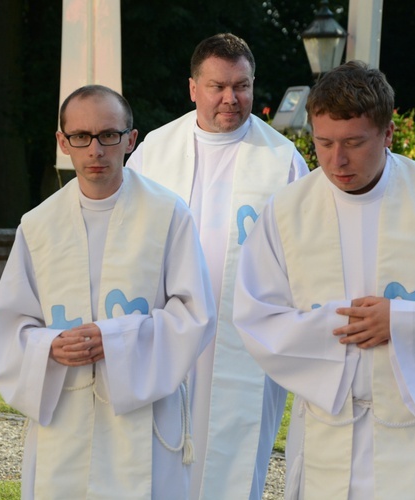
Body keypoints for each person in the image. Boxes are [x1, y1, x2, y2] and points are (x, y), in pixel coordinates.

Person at [233, 61, 415, 500]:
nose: (336, 160)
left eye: (354, 143)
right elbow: (257, 316)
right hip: (331, 429)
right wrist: (339, 330)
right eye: (323, 143)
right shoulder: (287, 211)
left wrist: (400, 323)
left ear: (387, 134)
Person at [0, 84, 216, 499]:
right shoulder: (38, 225)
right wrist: (49, 346)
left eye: (109, 135)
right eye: (81, 137)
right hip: (65, 414)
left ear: (130, 139)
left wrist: (116, 338)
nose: (95, 150)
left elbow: (194, 314)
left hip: (144, 416)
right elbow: (9, 327)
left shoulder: (168, 214)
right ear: (62, 142)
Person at [126, 32, 309, 500]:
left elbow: (306, 254)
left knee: (235, 452)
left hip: (244, 336)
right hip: (168, 331)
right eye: (217, 86)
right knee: (160, 455)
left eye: (242, 86)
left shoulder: (281, 160)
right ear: (193, 88)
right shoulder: (154, 150)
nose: (231, 98)